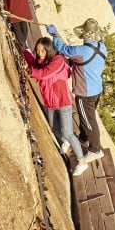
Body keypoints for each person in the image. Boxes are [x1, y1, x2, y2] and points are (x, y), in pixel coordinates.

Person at [23, 38, 88, 177]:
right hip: (51, 102)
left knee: (68, 133)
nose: (40, 53)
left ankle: (82, 162)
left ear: (49, 49)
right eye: (38, 51)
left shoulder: (57, 61)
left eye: (43, 50)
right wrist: (24, 51)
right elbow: (36, 64)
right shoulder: (43, 61)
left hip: (63, 102)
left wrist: (28, 69)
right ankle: (66, 141)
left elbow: (43, 74)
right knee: (55, 129)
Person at [47, 18, 108, 162]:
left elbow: (64, 49)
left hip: (85, 93)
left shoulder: (81, 51)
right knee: (85, 116)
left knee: (89, 121)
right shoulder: (102, 47)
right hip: (97, 89)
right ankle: (84, 138)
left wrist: (55, 35)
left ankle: (95, 150)